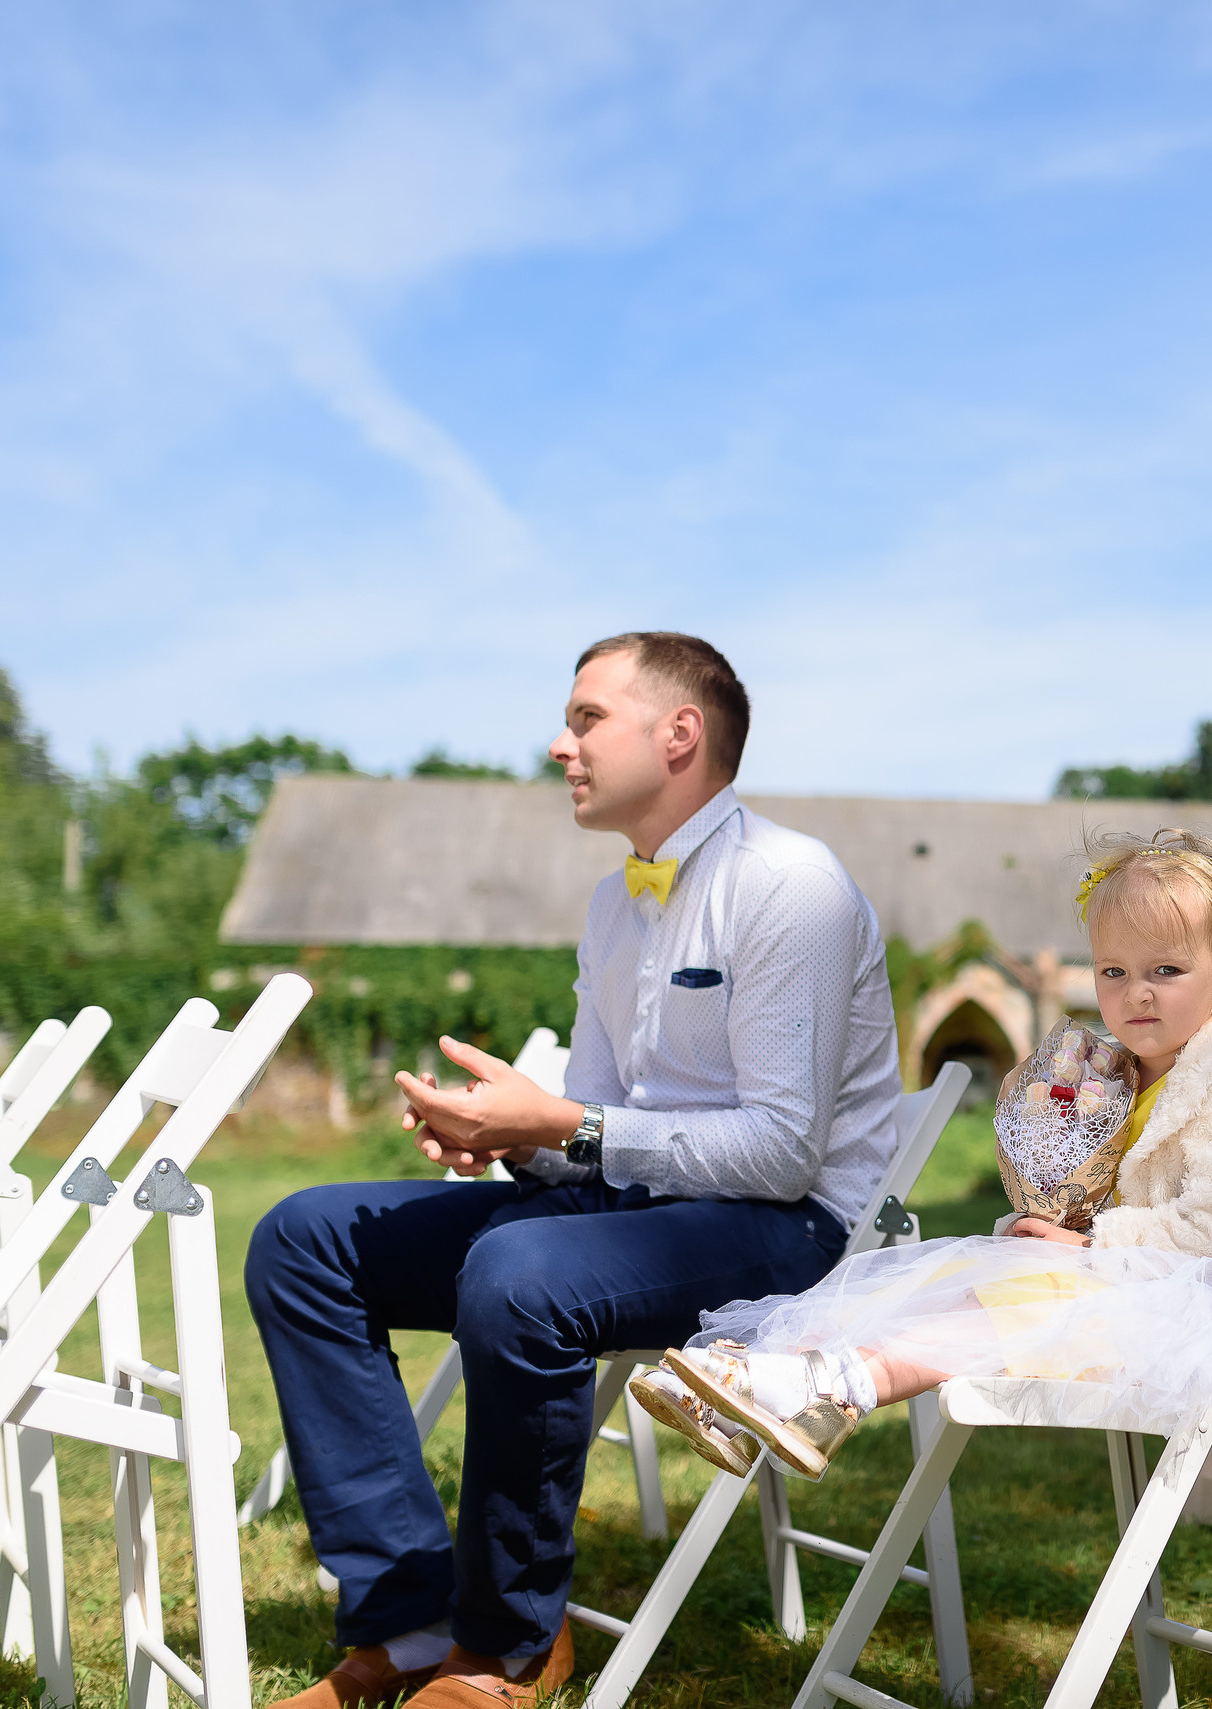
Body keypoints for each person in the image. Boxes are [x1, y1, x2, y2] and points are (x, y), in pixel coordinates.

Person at [248, 633, 903, 1709]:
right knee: (306, 1238)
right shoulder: (613, 903)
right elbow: (603, 1121)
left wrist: (566, 1123)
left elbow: (783, 1152)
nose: (561, 745)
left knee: (521, 1273)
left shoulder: (793, 885)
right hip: (637, 1206)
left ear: (679, 732)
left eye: (587, 717)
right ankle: (410, 1619)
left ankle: (505, 1644)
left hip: (786, 1228)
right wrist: (514, 1137)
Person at [629, 829, 1212, 1481]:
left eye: (1167, 969)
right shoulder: (1118, 1079)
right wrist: (1056, 1211)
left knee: (1009, 1297)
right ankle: (756, 1375)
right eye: (1114, 970)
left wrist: (1088, 1246)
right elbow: (1098, 1198)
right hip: (1130, 1288)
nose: (1137, 991)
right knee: (950, 1280)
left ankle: (836, 1386)